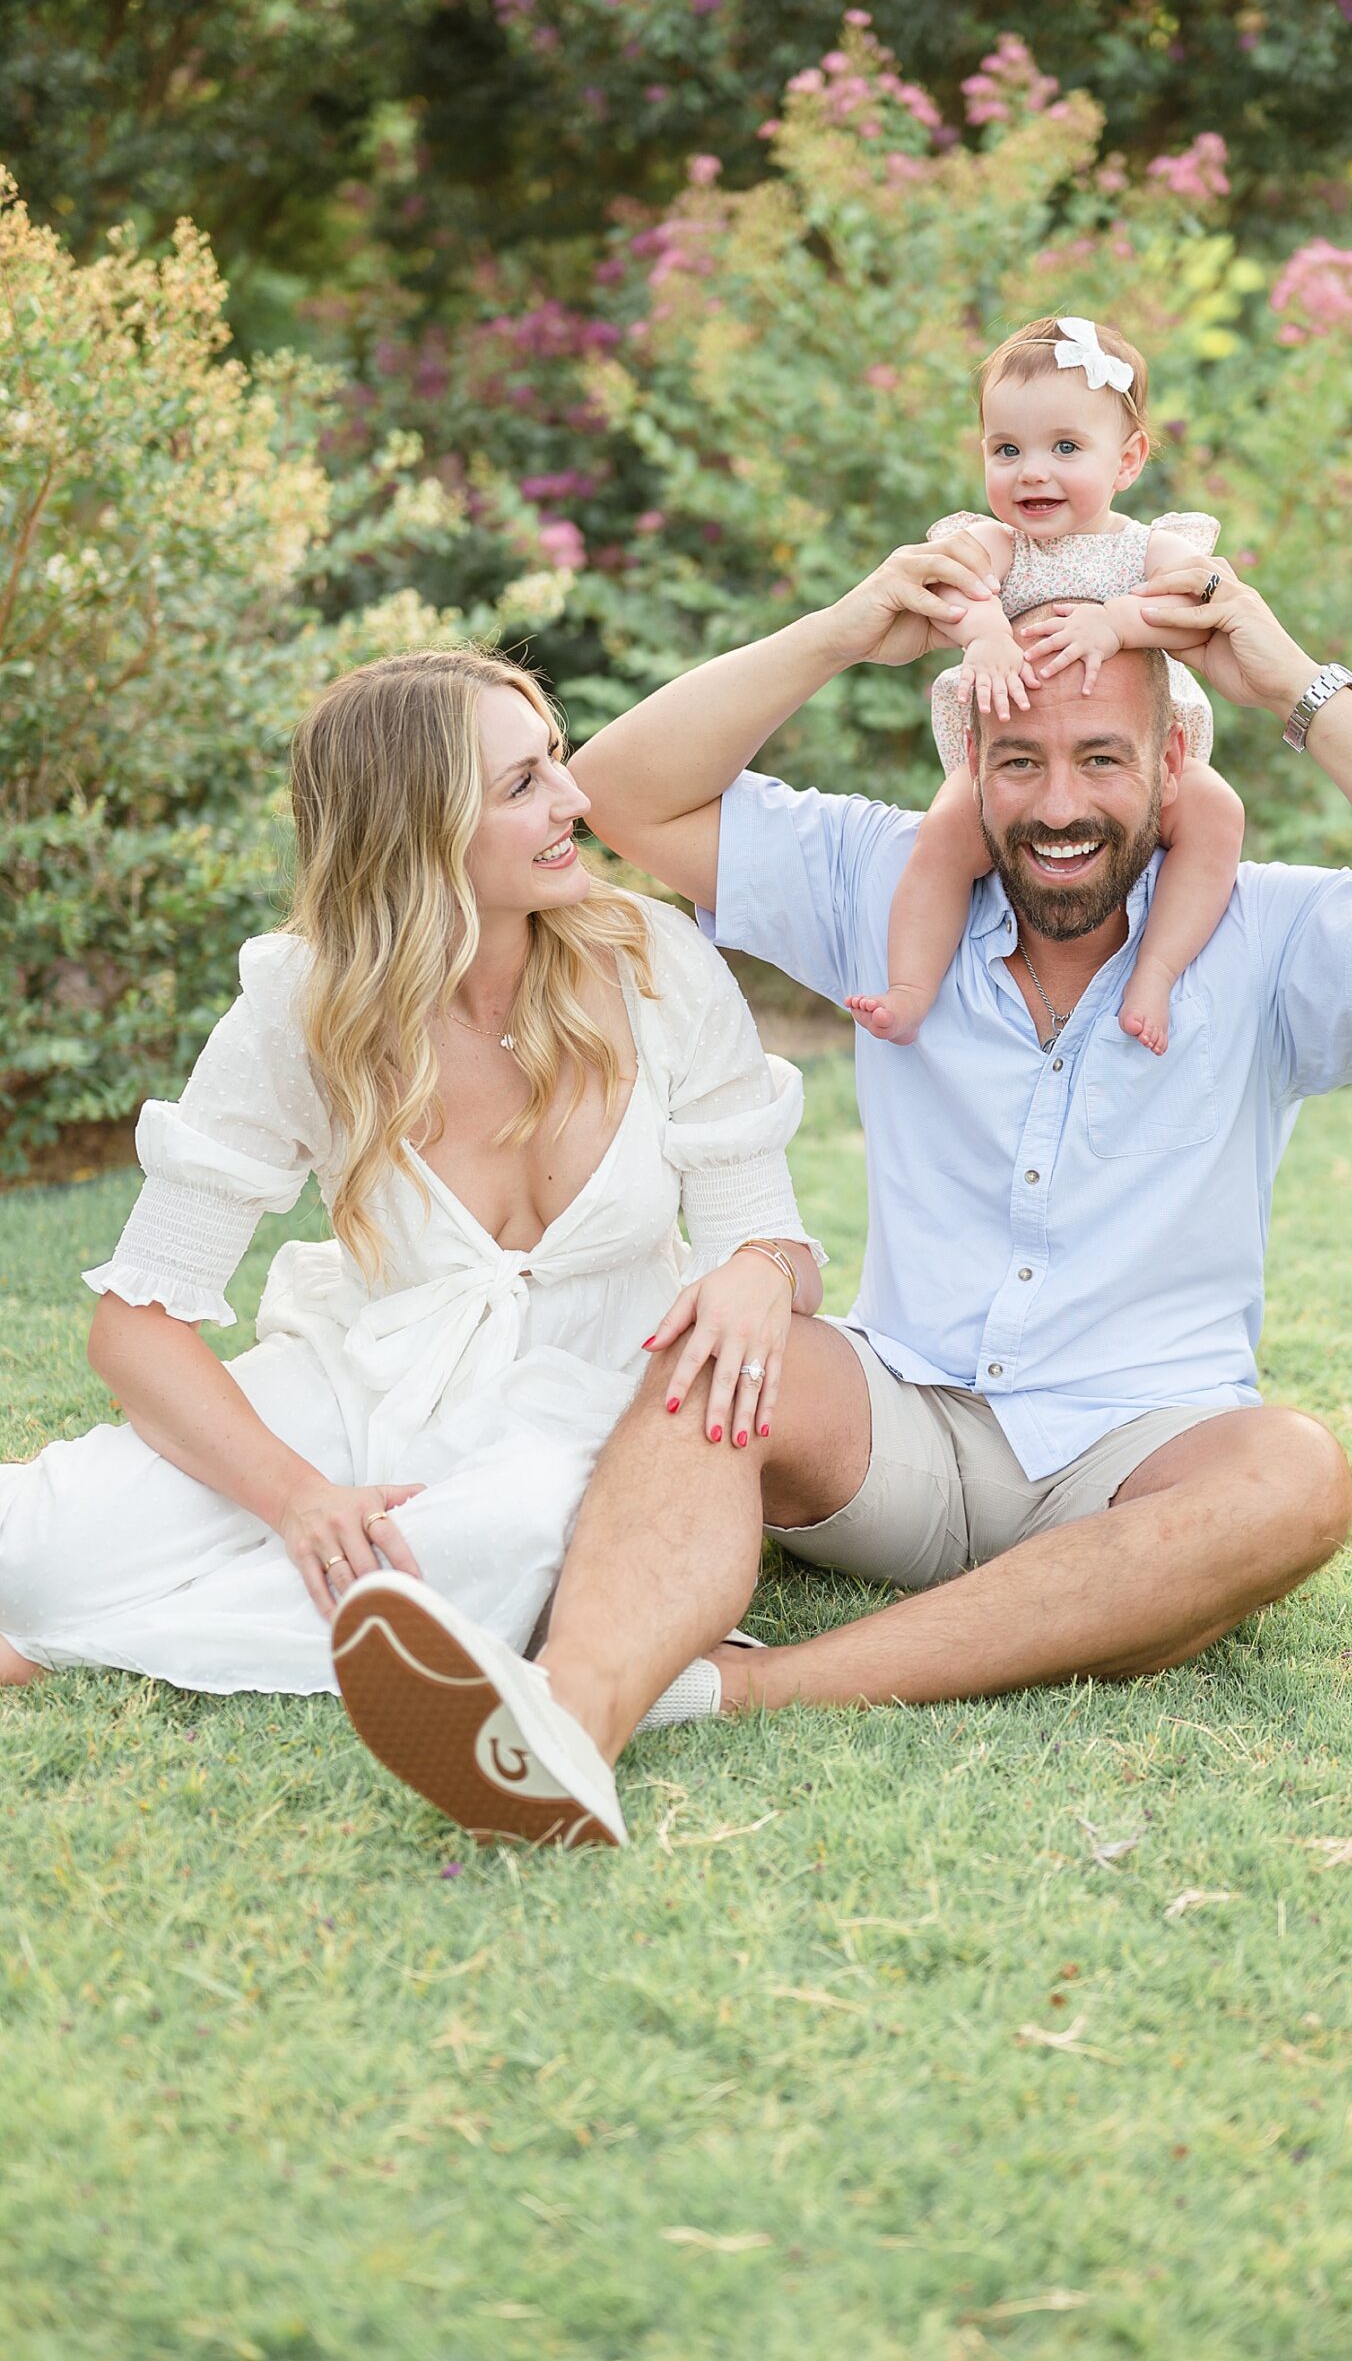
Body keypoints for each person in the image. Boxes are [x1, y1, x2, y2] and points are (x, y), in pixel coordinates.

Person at [321, 536, 1352, 1856]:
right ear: (968, 771)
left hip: (1134, 1452)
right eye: (1016, 761)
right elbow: (619, 792)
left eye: (1102, 757)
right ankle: (562, 1724)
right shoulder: (884, 887)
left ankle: (751, 1684)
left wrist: (1295, 689)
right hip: (897, 1422)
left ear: (1171, 768)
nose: (1057, 805)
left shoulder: (1269, 935)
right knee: (720, 1350)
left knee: (1295, 1479)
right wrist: (846, 630)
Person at [0, 648, 823, 1762]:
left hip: (589, 1421)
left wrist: (760, 1269)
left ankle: (71, 1650)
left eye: (558, 762)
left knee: (497, 1545)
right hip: (364, 1381)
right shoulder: (303, 1002)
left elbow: (773, 1250)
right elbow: (137, 1324)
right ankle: (140, 1599)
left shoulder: (657, 968)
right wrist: (297, 1498)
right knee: (38, 1550)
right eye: (524, 783)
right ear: (415, 831)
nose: (576, 800)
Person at [846, 313, 1244, 1055]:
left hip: (1139, 748)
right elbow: (951, 588)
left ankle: (1154, 971)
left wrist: (1121, 623)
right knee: (940, 841)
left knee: (1216, 816)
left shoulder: (1147, 547)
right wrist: (987, 632)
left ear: (1127, 461)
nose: (1032, 471)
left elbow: (1205, 595)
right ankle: (909, 987)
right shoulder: (996, 541)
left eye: (1065, 447)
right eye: (1008, 449)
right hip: (1011, 750)